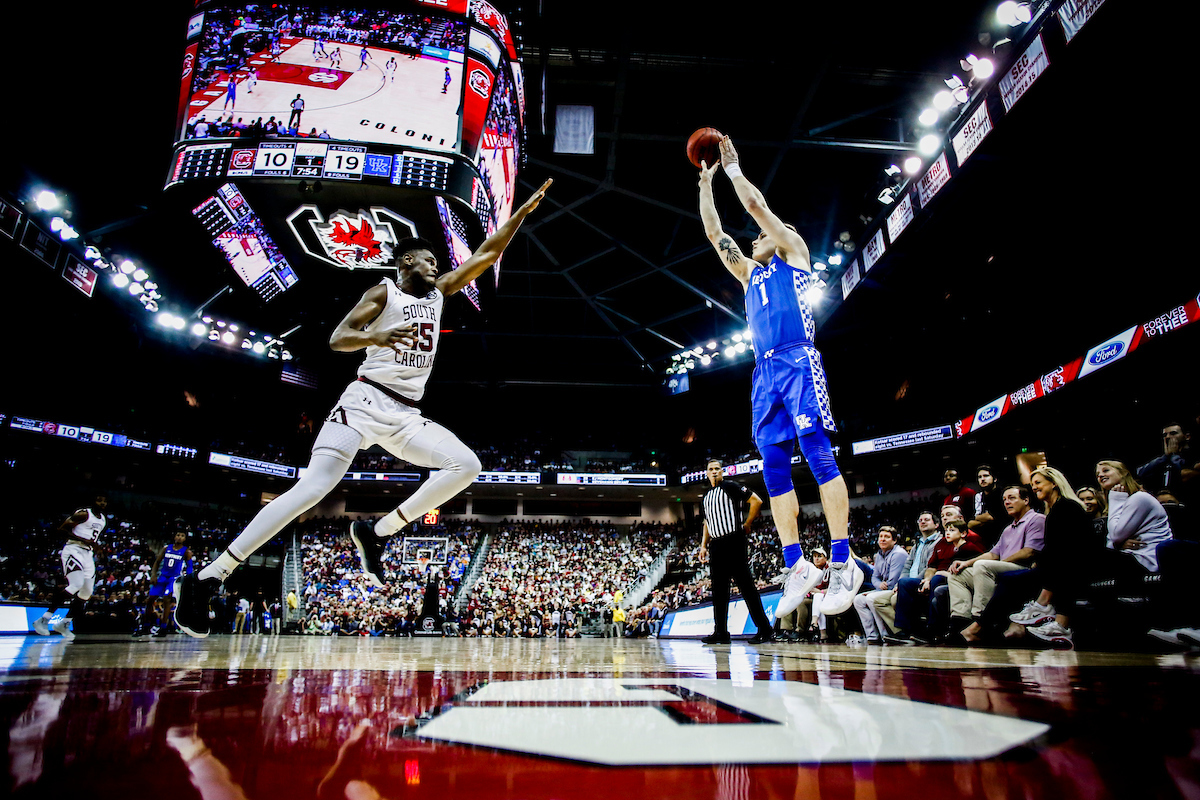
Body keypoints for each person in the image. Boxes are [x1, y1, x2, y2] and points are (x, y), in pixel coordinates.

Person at [173, 179, 553, 637]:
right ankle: (208, 578)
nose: (438, 266)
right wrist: (375, 336)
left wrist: (521, 215)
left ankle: (377, 533)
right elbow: (338, 339)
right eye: (430, 259)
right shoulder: (383, 293)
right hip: (362, 400)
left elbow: (485, 255)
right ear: (407, 261)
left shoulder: (437, 295)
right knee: (312, 488)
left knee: (465, 465)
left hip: (405, 414)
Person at [696, 139, 862, 626]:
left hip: (797, 361)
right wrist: (705, 186)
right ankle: (796, 566)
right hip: (764, 372)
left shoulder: (793, 252)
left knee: (816, 453)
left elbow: (753, 206)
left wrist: (732, 169)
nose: (751, 241)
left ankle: (842, 559)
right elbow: (714, 233)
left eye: (759, 236)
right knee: (772, 468)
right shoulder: (750, 276)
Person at [1010, 467, 1095, 648]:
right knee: (1016, 576)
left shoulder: (1067, 507)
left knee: (1057, 564)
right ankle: (1046, 614)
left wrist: (1040, 562)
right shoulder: (1054, 510)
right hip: (1068, 562)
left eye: (1038, 483)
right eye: (1032, 485)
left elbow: (1068, 547)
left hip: (1084, 564)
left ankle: (1045, 607)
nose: (1034, 488)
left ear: (1054, 482)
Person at [950, 485, 1045, 642]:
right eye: (1004, 500)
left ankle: (984, 622)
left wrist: (996, 564)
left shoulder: (1037, 520)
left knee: (983, 566)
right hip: (1001, 568)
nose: (1007, 502)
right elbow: (993, 554)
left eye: (1012, 498)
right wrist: (966, 563)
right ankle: (961, 621)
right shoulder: (1008, 529)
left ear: (1026, 500)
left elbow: (1030, 552)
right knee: (958, 575)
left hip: (1024, 569)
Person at [697, 459, 774, 645]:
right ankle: (721, 632)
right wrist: (703, 545)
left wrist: (747, 523)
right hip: (716, 545)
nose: (714, 472)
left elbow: (756, 500)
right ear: (706, 473)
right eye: (711, 469)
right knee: (718, 591)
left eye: (717, 469)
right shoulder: (706, 497)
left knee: (746, 587)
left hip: (734, 540)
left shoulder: (730, 486)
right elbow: (707, 522)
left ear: (722, 472)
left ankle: (765, 629)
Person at [33, 494, 108, 642]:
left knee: (86, 592)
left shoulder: (103, 520)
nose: (103, 503)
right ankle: (44, 619)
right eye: (100, 500)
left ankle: (64, 623)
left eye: (105, 501)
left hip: (87, 554)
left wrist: (96, 548)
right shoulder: (83, 513)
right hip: (73, 549)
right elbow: (61, 530)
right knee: (76, 584)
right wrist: (85, 541)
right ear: (94, 501)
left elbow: (93, 540)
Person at [851, 526, 908, 644]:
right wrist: (878, 585)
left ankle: (886, 634)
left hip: (897, 588)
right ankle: (872, 636)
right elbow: (874, 577)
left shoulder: (899, 554)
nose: (882, 539)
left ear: (894, 540)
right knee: (858, 600)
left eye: (887, 537)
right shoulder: (879, 555)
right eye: (881, 537)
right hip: (883, 588)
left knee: (871, 598)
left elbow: (892, 581)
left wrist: (877, 590)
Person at [134, 531, 193, 640]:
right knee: (150, 599)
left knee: (167, 599)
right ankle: (146, 626)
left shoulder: (186, 552)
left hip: (173, 578)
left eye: (182, 536)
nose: (179, 537)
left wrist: (189, 579)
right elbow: (157, 562)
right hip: (162, 577)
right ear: (174, 536)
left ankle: (163, 627)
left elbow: (190, 567)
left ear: (185, 539)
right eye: (178, 535)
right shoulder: (166, 548)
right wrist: (153, 575)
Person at [969, 464, 1006, 548]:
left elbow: (991, 517)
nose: (982, 479)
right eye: (979, 477)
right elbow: (970, 523)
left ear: (995, 479)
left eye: (986, 476)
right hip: (984, 541)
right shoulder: (979, 496)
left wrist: (978, 518)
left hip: (1001, 538)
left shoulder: (1001, 494)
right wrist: (980, 518)